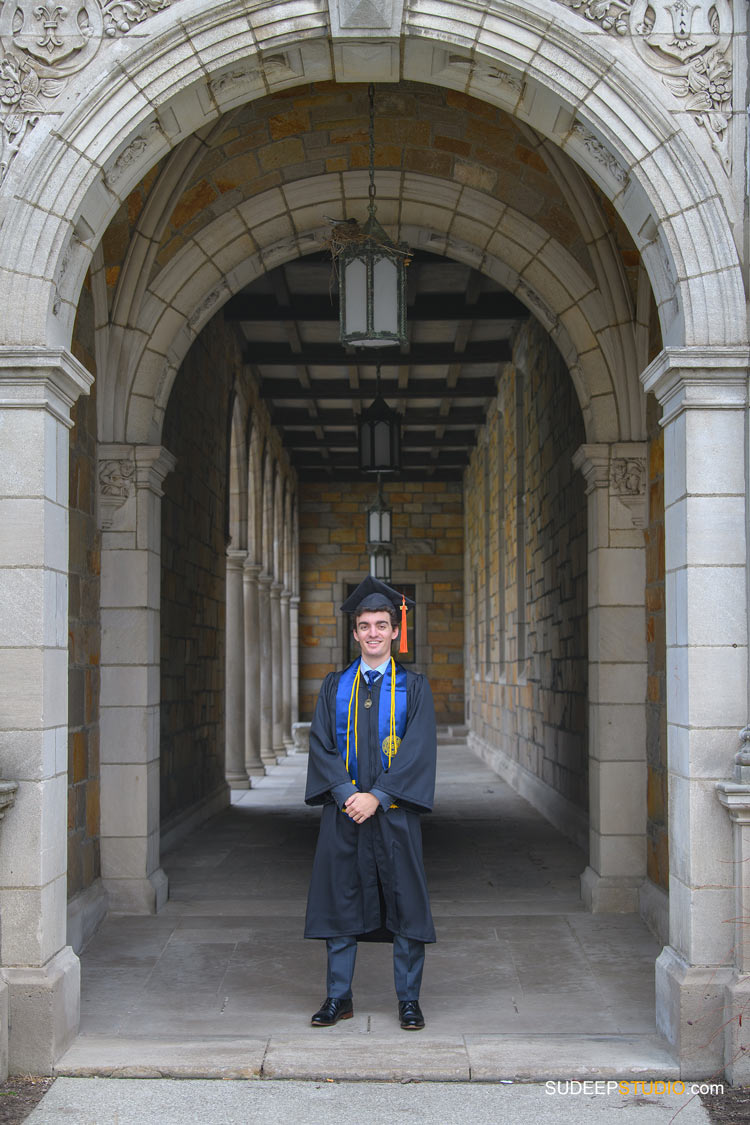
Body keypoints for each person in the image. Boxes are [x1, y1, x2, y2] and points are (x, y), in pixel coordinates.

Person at [304, 575, 437, 1031]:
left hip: (394, 815)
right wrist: (347, 795)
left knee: (405, 903)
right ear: (355, 633)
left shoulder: (414, 689)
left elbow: (418, 748)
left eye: (382, 624)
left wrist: (378, 796)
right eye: (365, 626)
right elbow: (321, 745)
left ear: (396, 630)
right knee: (341, 901)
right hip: (344, 815)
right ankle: (338, 997)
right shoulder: (334, 686)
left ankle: (409, 1000)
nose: (374, 633)